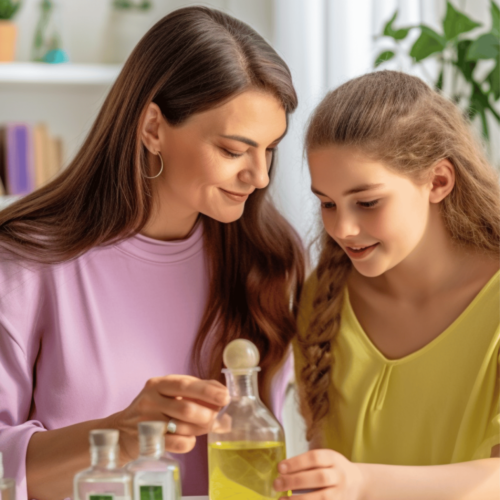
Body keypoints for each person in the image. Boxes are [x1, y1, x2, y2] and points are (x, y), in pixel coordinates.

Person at [0, 6, 304, 499]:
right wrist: (121, 436)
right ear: (153, 128)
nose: (260, 176)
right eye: (233, 150)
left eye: (269, 150)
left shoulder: (267, 259)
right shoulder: (27, 263)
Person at [275, 71, 500, 499]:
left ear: (437, 182)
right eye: (327, 203)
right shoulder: (323, 296)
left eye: (367, 202)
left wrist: (361, 483)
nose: (342, 227)